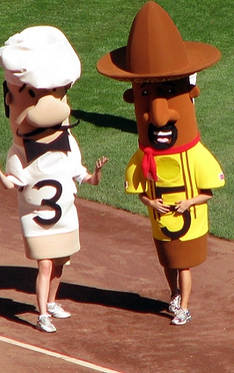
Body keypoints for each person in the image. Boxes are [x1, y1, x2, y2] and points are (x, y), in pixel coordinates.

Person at [97, 1, 225, 325]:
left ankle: (185, 306)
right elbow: (139, 189)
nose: (157, 114)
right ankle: (174, 298)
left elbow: (209, 190)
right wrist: (150, 201)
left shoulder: (195, 154)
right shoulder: (144, 156)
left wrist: (187, 203)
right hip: (160, 219)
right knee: (168, 261)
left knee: (184, 264)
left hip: (187, 218)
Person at [0, 26, 108, 333]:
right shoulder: (19, 152)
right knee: (44, 264)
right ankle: (41, 312)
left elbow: (82, 175)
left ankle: (52, 302)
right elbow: (13, 184)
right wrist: (0, 172)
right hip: (38, 218)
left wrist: (95, 174)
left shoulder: (68, 143)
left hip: (66, 215)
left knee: (60, 262)